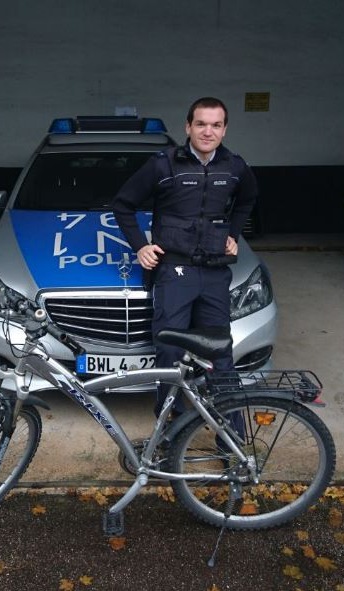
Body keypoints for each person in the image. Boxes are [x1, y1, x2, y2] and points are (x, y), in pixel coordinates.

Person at [112, 96, 258, 418]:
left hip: (215, 272)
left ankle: (230, 434)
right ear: (188, 127)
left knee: (220, 353)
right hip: (174, 271)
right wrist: (140, 246)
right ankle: (171, 429)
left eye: (216, 125)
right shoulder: (163, 165)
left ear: (224, 130)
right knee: (169, 351)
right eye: (201, 124)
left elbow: (248, 199)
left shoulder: (235, 167)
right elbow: (123, 204)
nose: (208, 131)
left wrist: (233, 234)